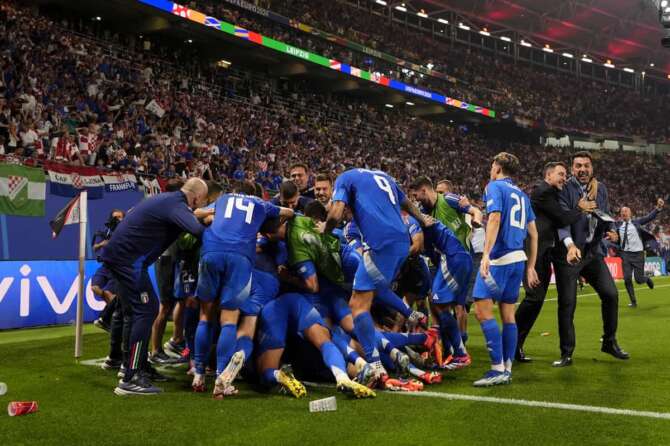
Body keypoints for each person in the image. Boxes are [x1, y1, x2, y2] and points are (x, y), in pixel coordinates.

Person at [102, 178, 211, 395]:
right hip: (128, 261)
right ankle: (131, 377)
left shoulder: (169, 200)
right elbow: (198, 231)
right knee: (147, 310)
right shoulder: (177, 205)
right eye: (201, 202)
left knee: (136, 313)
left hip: (123, 258)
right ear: (197, 198)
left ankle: (136, 366)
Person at [324, 168, 426, 387]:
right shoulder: (384, 177)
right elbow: (406, 202)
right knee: (374, 288)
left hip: (381, 243)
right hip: (401, 241)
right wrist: (422, 219)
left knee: (357, 306)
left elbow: (335, 213)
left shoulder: (345, 178)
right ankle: (410, 315)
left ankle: (375, 363)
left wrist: (324, 228)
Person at [192, 181, 294, 398]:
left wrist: (212, 214)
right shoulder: (260, 204)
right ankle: (222, 376)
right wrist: (273, 222)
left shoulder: (223, 200)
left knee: (205, 316)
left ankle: (198, 373)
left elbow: (198, 212)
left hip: (211, 251)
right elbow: (289, 211)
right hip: (240, 256)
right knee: (229, 319)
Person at [554, 151, 628, 368]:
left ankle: (609, 342)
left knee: (611, 295)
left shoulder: (601, 188)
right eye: (578, 166)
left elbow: (605, 215)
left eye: (586, 165)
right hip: (569, 254)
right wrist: (569, 245)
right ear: (572, 168)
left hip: (593, 253)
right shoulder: (565, 188)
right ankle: (566, 352)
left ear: (592, 168)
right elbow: (562, 221)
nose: (583, 169)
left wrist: (613, 230)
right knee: (567, 304)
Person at [471, 152, 539, 387]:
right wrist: (531, 266)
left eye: (492, 164)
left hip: (499, 259)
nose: (491, 168)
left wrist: (486, 254)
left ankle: (497, 368)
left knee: (482, 310)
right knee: (508, 314)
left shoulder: (493, 187)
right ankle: (507, 366)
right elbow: (534, 233)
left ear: (498, 168)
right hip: (518, 259)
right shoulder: (522, 194)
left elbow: (495, 219)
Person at [514, 162, 591, 362]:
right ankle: (509, 341)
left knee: (536, 301)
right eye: (560, 174)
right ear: (548, 175)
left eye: (566, 175)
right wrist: (580, 209)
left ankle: (515, 346)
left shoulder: (552, 192)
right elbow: (562, 218)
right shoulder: (543, 191)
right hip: (535, 253)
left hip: (545, 252)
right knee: (532, 299)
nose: (564, 178)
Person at [615, 198, 665, 307]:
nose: (624, 213)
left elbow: (649, 217)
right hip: (625, 255)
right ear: (620, 214)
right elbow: (610, 231)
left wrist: (658, 208)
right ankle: (633, 301)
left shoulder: (636, 222)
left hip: (638, 254)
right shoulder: (618, 225)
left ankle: (646, 279)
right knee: (627, 278)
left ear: (630, 213)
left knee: (638, 279)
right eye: (622, 212)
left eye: (626, 211)